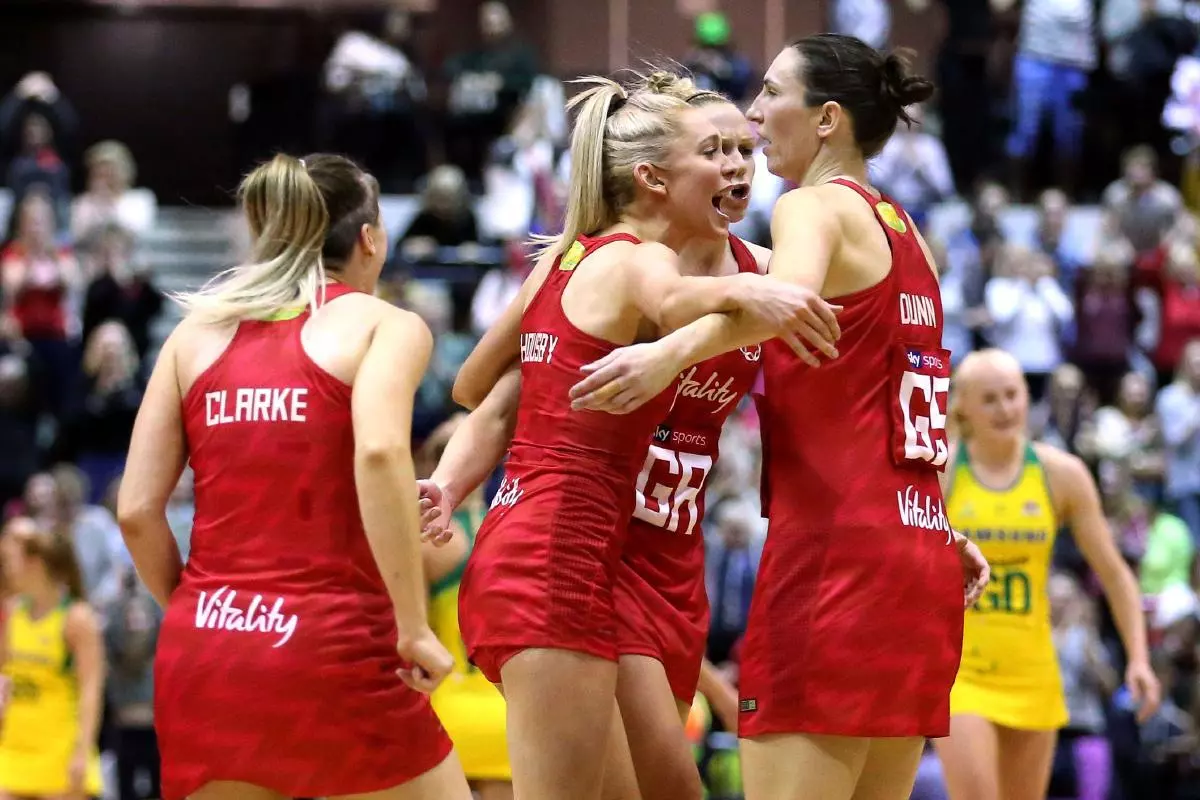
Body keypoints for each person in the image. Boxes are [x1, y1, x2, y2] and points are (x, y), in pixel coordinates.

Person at [568, 35, 990, 800]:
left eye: (770, 94)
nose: (757, 113)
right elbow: (905, 402)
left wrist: (668, 354)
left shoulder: (810, 207)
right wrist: (932, 523)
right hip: (918, 556)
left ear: (826, 119)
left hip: (837, 563)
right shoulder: (911, 234)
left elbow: (778, 306)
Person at [423, 71, 839, 800]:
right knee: (672, 786)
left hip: (670, 556)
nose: (738, 164)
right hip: (598, 551)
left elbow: (476, 388)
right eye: (717, 150)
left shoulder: (763, 273)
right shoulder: (635, 268)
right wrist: (453, 482)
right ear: (655, 177)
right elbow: (487, 399)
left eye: (745, 149)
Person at [115, 153, 472, 800]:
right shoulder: (384, 325)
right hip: (332, 647)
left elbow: (137, 510)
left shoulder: (194, 336)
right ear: (369, 239)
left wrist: (202, 615)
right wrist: (414, 627)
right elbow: (379, 453)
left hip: (207, 651)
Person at [935, 348, 1159, 800]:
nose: (1006, 408)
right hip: (960, 672)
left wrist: (1138, 657)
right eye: (990, 399)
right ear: (963, 408)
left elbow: (1115, 575)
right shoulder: (941, 472)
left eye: (1013, 395)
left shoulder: (1061, 473)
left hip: (1033, 668)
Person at [419, 416, 512, 800]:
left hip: (443, 706)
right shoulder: (511, 530)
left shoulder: (425, 540)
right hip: (506, 710)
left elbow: (412, 633)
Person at [0, 516, 105, 800]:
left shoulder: (76, 618)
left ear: (34, 563)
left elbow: (91, 690)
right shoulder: (11, 613)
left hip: (61, 751)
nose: (6, 569)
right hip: (14, 750)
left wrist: (82, 752)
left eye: (10, 561)